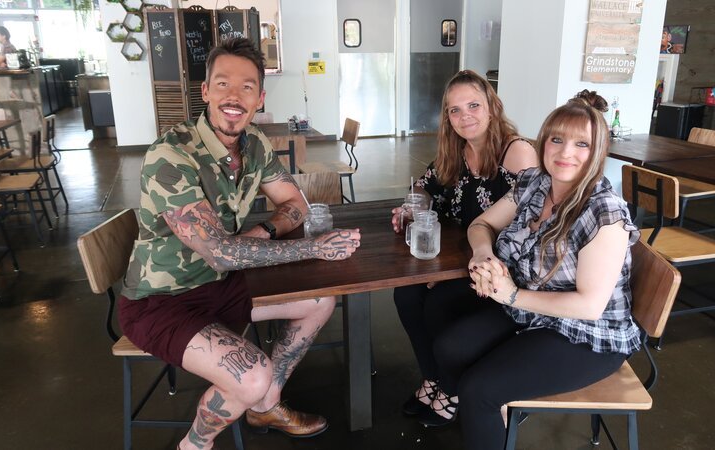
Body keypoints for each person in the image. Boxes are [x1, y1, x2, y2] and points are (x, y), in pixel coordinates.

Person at [117, 38, 361, 450]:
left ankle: (265, 405)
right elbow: (220, 251)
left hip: (220, 282)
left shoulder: (254, 144)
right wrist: (313, 248)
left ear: (260, 98)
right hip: (161, 299)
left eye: (247, 87)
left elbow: (294, 204)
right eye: (223, 84)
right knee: (251, 373)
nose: (234, 96)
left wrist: (262, 233)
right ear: (205, 91)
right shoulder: (171, 155)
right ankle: (195, 443)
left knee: (320, 299)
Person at [433, 90, 641, 450]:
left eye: (582, 144)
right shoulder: (535, 183)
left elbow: (589, 307)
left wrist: (511, 294)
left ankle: (485, 408)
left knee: (479, 389)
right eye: (557, 139)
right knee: (450, 347)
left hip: (589, 335)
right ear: (544, 142)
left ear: (598, 153)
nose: (565, 152)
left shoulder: (603, 211)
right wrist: (484, 256)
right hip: (531, 312)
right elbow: (481, 225)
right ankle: (491, 419)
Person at [390, 69, 538, 427]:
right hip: (462, 257)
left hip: (503, 269)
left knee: (440, 301)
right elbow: (424, 187)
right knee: (406, 294)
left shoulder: (515, 152)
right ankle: (434, 378)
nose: (464, 116)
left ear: (492, 107)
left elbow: (528, 227)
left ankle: (452, 390)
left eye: (473, 105)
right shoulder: (455, 152)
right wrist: (412, 205)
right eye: (454, 110)